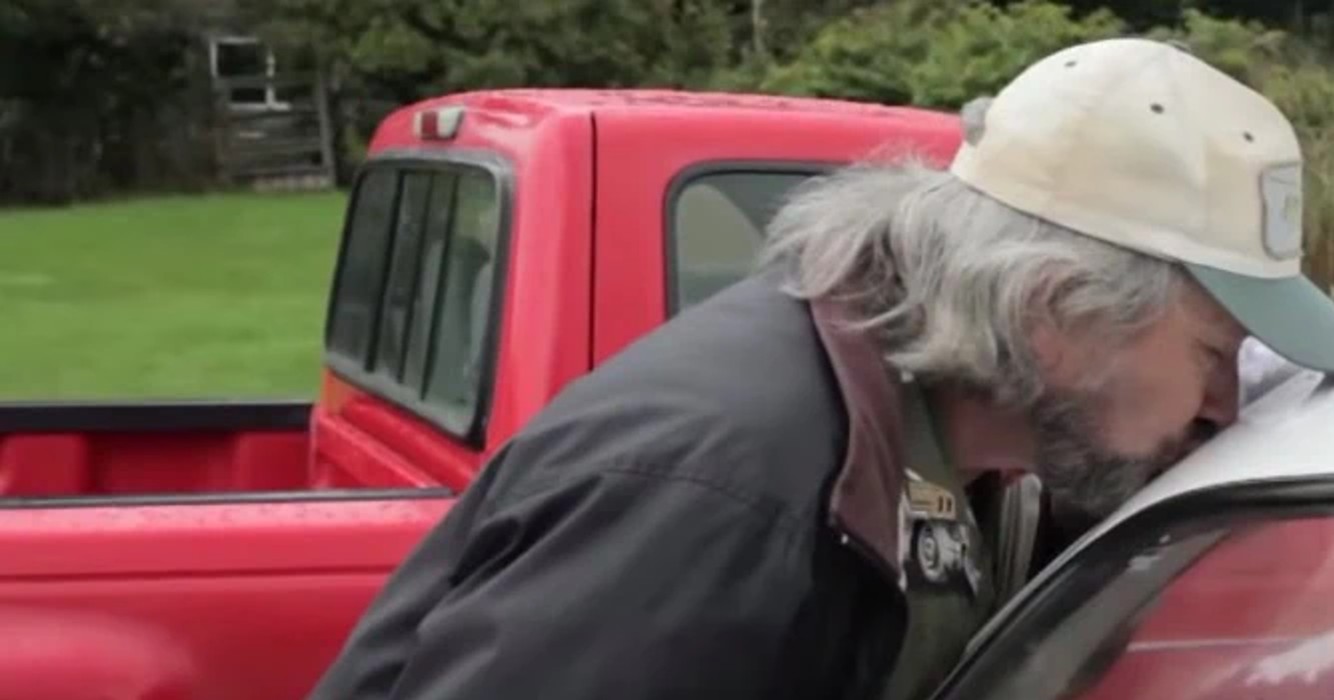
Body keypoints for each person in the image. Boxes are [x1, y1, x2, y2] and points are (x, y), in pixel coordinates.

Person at [308, 38, 1334, 700]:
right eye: (1211, 353)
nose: (1219, 399)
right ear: (1054, 312)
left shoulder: (978, 440)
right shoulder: (717, 499)